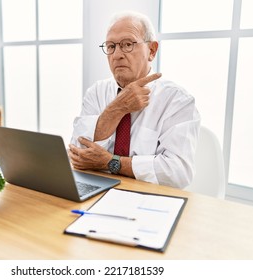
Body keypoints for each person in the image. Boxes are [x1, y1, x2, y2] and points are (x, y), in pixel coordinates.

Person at [68, 11, 200, 189]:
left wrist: (111, 163)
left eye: (127, 44)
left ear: (151, 51)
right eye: (110, 46)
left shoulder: (177, 100)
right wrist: (117, 108)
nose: (117, 55)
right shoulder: (97, 92)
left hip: (150, 198)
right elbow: (77, 155)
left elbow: (177, 173)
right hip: (97, 191)